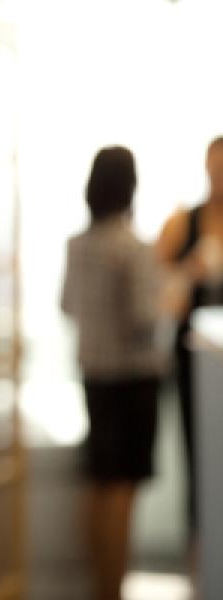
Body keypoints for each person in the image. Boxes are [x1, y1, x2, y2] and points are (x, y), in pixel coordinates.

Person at [62, 146, 163, 600]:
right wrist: (173, 294)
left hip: (94, 376)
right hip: (133, 379)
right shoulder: (133, 248)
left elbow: (65, 305)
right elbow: (145, 319)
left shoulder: (77, 245)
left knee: (99, 482)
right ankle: (113, 590)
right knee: (123, 487)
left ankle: (96, 587)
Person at [155, 136, 223, 545]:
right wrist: (192, 270)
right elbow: (158, 292)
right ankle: (202, 545)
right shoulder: (183, 221)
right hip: (196, 359)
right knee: (200, 452)